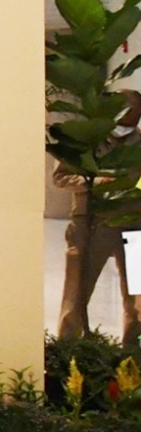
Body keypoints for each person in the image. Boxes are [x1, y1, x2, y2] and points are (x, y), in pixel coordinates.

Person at [55, 89, 141, 346]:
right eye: (126, 109)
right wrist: (94, 183)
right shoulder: (86, 141)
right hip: (91, 224)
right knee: (77, 293)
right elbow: (60, 177)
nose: (131, 115)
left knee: (137, 296)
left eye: (136, 111)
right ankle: (67, 350)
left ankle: (132, 352)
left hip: (134, 225)